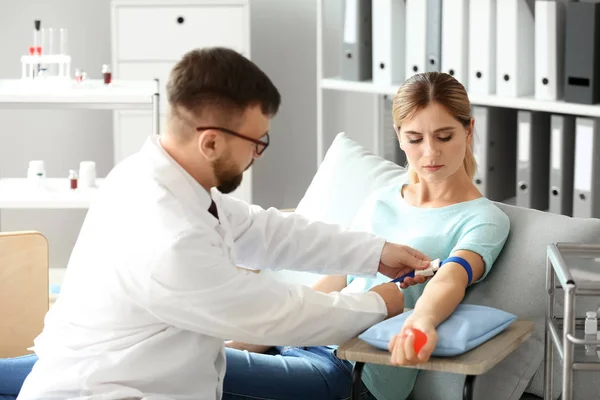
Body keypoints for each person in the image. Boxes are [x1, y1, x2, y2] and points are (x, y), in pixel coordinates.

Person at [12, 47, 431, 400]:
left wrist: (374, 252)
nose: (257, 155)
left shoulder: (165, 181)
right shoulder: (167, 235)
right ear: (210, 141)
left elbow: (265, 231)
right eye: (257, 143)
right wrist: (379, 303)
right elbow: (271, 313)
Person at [221, 71, 511, 400]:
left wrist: (421, 324)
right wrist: (262, 336)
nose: (430, 153)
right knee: (193, 357)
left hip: (352, 371)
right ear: (399, 136)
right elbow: (337, 279)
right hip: (303, 342)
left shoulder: (483, 218)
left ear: (469, 129)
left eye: (444, 136)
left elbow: (451, 279)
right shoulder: (382, 198)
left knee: (196, 366)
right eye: (415, 139)